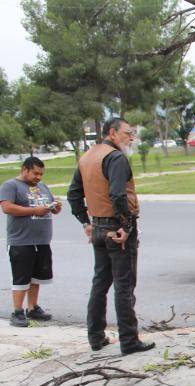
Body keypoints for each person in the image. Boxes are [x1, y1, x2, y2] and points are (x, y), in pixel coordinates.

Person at [67, 117, 155, 355]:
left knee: (100, 282)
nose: (131, 137)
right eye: (128, 132)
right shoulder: (115, 158)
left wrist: (86, 222)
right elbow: (117, 195)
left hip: (98, 226)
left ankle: (95, 336)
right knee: (124, 285)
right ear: (113, 133)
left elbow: (73, 195)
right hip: (116, 229)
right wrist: (125, 227)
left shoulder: (86, 157)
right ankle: (129, 340)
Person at [1, 157, 60, 327]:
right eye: (35, 173)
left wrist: (54, 208)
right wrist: (35, 210)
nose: (38, 177)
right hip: (21, 241)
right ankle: (17, 311)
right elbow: (7, 208)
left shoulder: (42, 187)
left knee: (36, 277)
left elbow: (48, 205)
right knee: (21, 277)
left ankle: (32, 308)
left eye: (41, 174)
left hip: (41, 240)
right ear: (24, 169)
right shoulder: (11, 186)